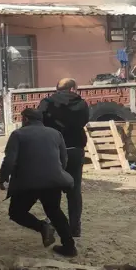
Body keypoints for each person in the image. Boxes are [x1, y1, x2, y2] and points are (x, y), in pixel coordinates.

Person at [0, 107, 77, 257]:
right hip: (54, 181)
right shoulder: (56, 133)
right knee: (55, 212)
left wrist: (3, 178)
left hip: (28, 183)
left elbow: (9, 160)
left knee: (16, 212)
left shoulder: (18, 134)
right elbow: (63, 159)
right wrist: (55, 173)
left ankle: (42, 226)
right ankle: (69, 247)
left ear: (26, 119)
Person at [38, 78, 90, 238]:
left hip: (53, 151)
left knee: (53, 189)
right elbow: (84, 121)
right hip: (74, 150)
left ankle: (54, 223)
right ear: (73, 88)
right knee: (74, 191)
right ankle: (75, 228)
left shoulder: (46, 103)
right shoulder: (81, 105)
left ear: (57, 88)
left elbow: (38, 122)